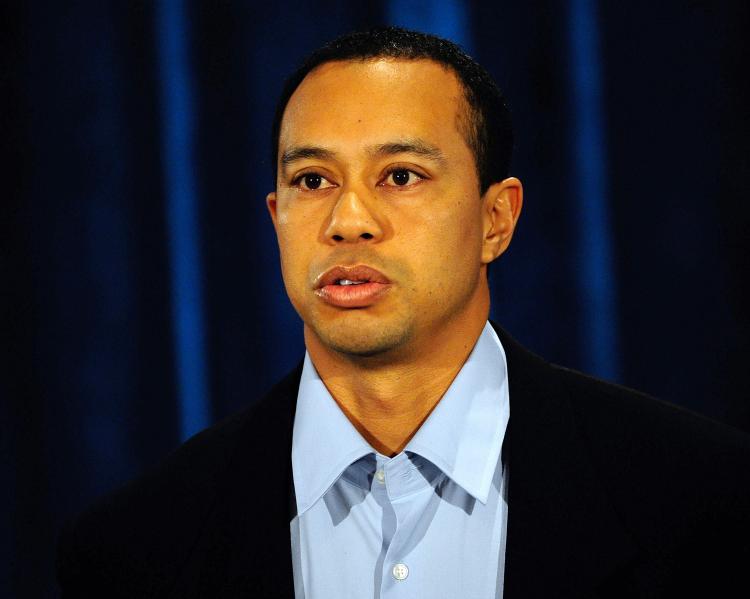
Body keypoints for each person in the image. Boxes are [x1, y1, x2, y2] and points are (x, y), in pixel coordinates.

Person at [57, 27, 750, 599]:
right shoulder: (132, 547)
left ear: (496, 219)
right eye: (313, 180)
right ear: (277, 217)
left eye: (400, 176)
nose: (348, 219)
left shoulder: (704, 499)